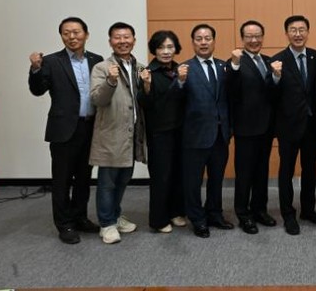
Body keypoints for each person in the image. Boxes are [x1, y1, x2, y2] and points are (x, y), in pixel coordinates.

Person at [28, 17, 104, 244]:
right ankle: (64, 224)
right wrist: (35, 69)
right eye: (66, 33)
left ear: (86, 34)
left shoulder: (96, 60)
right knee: (62, 180)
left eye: (76, 32)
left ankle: (80, 217)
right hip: (63, 129)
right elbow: (37, 90)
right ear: (61, 36)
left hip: (90, 127)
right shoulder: (51, 61)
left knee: (84, 178)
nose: (72, 37)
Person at [89, 22, 146, 244]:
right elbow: (97, 99)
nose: (123, 41)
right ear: (110, 41)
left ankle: (115, 214)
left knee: (123, 179)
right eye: (117, 37)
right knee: (107, 182)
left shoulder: (140, 68)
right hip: (111, 135)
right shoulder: (102, 68)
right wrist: (110, 81)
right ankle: (107, 224)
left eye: (127, 37)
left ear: (134, 40)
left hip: (132, 135)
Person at [271, 15, 316, 235]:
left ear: (308, 32)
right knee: (286, 171)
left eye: (302, 29)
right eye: (293, 30)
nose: (298, 34)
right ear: (286, 33)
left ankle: (308, 210)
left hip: (312, 126)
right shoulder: (277, 60)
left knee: (310, 169)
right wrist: (275, 77)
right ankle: (288, 214)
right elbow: (271, 95)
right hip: (288, 126)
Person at [180, 24, 233, 238]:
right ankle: (197, 219)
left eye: (208, 38)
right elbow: (175, 100)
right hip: (195, 136)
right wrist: (179, 82)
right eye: (199, 39)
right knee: (193, 181)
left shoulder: (224, 67)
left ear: (214, 41)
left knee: (216, 179)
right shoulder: (184, 68)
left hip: (220, 135)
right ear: (193, 42)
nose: (203, 42)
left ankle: (214, 213)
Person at [227, 20, 277, 234]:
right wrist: (234, 66)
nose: (254, 40)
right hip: (246, 128)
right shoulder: (236, 62)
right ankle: (243, 214)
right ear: (242, 39)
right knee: (244, 174)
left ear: (263, 37)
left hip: (266, 127)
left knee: (262, 172)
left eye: (258, 36)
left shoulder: (269, 61)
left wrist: (277, 77)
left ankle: (260, 210)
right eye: (249, 36)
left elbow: (273, 93)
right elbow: (231, 91)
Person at [138, 30, 188, 234]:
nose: (166, 51)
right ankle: (158, 220)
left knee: (179, 173)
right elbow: (145, 104)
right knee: (161, 176)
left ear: (176, 49)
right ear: (154, 50)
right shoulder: (148, 72)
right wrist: (147, 86)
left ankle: (176, 212)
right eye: (161, 47)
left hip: (181, 130)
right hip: (159, 132)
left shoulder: (180, 69)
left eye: (170, 47)